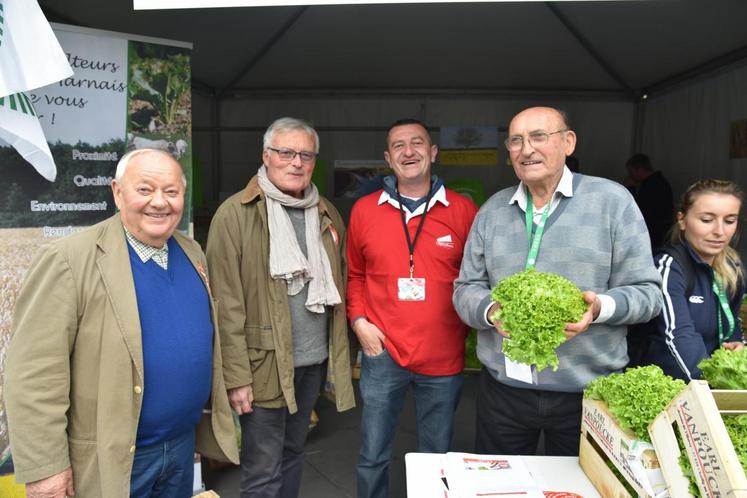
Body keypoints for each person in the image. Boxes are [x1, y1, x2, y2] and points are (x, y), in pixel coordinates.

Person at [4, 149, 239, 498]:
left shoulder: (192, 252)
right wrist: (46, 469)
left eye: (171, 192)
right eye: (145, 190)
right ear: (117, 192)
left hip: (179, 448)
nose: (160, 202)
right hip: (113, 459)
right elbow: (33, 374)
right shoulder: (69, 260)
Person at [453, 106, 662, 456]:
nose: (526, 149)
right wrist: (490, 312)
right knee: (499, 488)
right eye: (516, 141)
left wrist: (598, 308)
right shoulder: (492, 210)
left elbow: (648, 294)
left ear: (568, 142)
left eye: (538, 137)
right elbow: (465, 288)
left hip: (589, 392)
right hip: (504, 392)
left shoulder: (612, 202)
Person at [206, 117, 354, 498]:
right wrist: (236, 376)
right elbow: (224, 304)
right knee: (262, 469)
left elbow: (340, 281)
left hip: (311, 362)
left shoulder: (325, 212)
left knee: (293, 453)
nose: (296, 162)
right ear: (266, 156)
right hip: (262, 366)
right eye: (285, 152)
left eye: (306, 154)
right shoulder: (235, 214)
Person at [347, 118, 478, 498]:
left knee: (436, 457)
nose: (409, 151)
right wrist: (358, 321)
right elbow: (354, 275)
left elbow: (475, 280)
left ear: (433, 152)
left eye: (417, 143)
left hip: (442, 355)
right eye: (399, 146)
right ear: (388, 159)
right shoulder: (365, 211)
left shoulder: (463, 210)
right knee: (373, 454)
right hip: (382, 350)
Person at [642, 179, 745, 381]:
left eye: (730, 221)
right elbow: (678, 334)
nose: (719, 231)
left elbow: (732, 328)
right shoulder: (668, 267)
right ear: (682, 220)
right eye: (707, 220)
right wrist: (711, 388)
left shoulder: (733, 268)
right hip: (669, 389)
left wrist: (737, 347)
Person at [625, 153, 674, 251]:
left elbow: (638, 210)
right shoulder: (658, 182)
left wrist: (631, 189)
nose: (630, 176)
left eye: (631, 172)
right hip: (659, 232)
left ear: (639, 169)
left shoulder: (652, 186)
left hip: (653, 233)